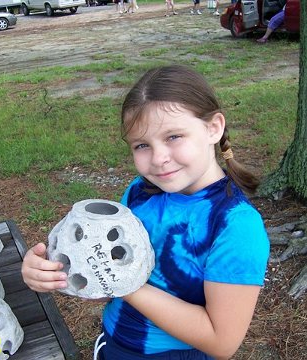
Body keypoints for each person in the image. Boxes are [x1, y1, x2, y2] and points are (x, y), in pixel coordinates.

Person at [21, 65, 270, 360]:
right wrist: (55, 273)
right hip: (113, 341)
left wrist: (125, 282)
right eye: (142, 145)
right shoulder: (140, 192)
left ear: (212, 128)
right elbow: (106, 284)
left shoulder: (236, 226)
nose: (159, 159)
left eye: (174, 136)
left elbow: (221, 341)